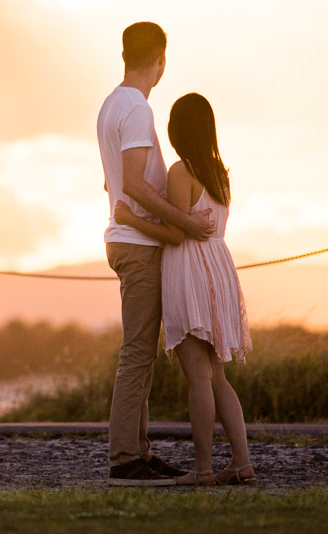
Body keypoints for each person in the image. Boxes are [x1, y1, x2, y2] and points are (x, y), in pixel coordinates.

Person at [96, 22, 216, 487]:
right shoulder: (138, 109)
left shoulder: (112, 105)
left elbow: (115, 181)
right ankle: (126, 459)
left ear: (125, 54)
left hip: (125, 237)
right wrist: (184, 222)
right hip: (138, 246)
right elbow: (131, 182)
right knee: (137, 353)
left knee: (141, 352)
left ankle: (138, 452)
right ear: (160, 59)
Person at [114, 92, 255, 486]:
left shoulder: (182, 171)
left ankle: (204, 469)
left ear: (177, 131)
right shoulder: (219, 172)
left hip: (191, 272)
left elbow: (176, 234)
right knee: (217, 376)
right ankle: (241, 463)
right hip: (220, 268)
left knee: (197, 374)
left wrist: (130, 216)